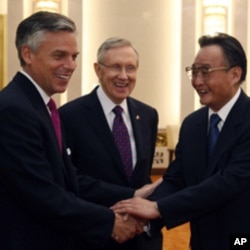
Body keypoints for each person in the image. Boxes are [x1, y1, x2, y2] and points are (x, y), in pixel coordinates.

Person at [0, 11, 162, 250]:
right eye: (59, 56)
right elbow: (42, 194)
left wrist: (134, 194)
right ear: (28, 54)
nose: (70, 65)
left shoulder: (40, 106)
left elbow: (67, 181)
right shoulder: (14, 109)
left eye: (73, 56)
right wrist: (110, 222)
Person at [112, 32, 250, 250]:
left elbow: (228, 182)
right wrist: (144, 212)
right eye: (194, 72)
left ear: (235, 74)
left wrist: (159, 208)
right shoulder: (193, 125)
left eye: (206, 72)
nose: (197, 81)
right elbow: (176, 178)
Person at [59, 37, 163, 250]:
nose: (124, 76)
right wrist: (130, 197)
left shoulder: (148, 115)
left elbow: (142, 178)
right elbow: (71, 181)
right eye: (116, 67)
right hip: (93, 238)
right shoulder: (69, 116)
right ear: (98, 70)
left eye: (130, 68)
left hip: (141, 238)